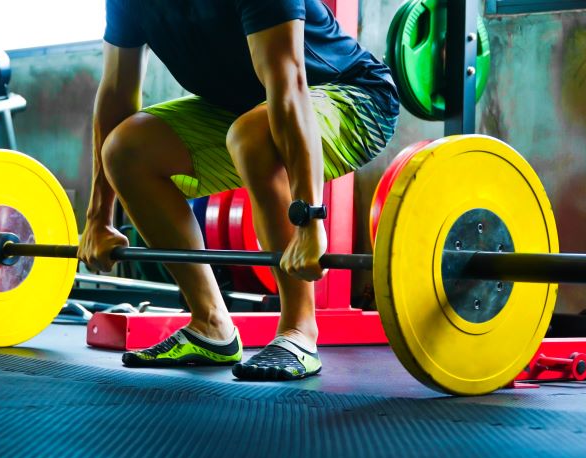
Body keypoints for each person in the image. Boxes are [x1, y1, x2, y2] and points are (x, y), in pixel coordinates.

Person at [78, 0, 399, 380]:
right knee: (125, 150)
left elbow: (288, 84)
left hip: (353, 96)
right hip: (243, 109)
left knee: (253, 136)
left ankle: (299, 329)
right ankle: (211, 324)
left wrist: (309, 218)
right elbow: (116, 91)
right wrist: (98, 217)